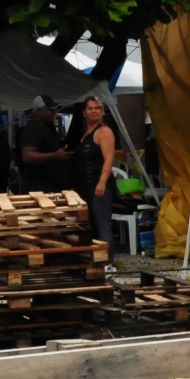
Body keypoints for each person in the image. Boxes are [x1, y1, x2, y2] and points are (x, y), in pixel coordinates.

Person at [71, 95, 117, 261]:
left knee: (103, 224)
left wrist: (102, 182)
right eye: (90, 108)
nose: (94, 111)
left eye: (97, 108)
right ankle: (94, 261)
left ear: (102, 111)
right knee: (89, 225)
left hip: (99, 186)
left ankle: (108, 262)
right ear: (84, 112)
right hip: (85, 187)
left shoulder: (104, 131)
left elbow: (109, 159)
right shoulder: (87, 133)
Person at [18, 96, 71, 192]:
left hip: (54, 186)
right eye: (49, 110)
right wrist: (55, 155)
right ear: (38, 110)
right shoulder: (33, 127)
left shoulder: (52, 127)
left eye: (54, 109)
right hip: (39, 188)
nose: (54, 112)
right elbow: (27, 156)